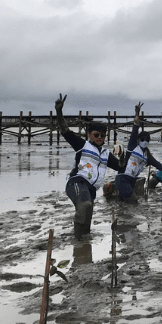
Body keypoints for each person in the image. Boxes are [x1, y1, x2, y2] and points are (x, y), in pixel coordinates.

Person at [55, 94, 123, 238]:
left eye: (103, 135)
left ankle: (81, 247)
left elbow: (120, 167)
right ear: (89, 135)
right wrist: (59, 112)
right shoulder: (82, 145)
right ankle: (77, 241)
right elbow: (65, 130)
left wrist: (124, 155)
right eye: (96, 134)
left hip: (91, 189)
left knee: (87, 223)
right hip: (77, 182)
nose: (100, 137)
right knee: (85, 206)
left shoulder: (105, 153)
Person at [111, 103, 162, 202]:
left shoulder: (147, 155)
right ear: (138, 140)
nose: (145, 141)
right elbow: (135, 128)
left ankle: (118, 216)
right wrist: (137, 112)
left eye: (147, 140)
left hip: (132, 181)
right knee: (133, 201)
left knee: (122, 204)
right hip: (122, 178)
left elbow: (159, 165)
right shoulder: (132, 147)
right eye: (143, 139)